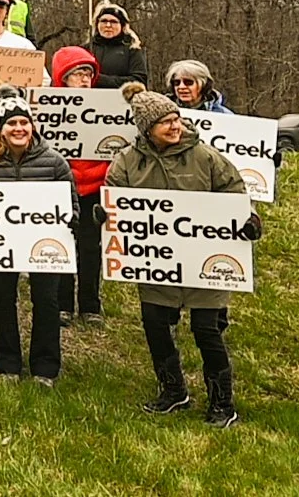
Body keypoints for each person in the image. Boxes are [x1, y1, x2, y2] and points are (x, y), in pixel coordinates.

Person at [106, 82, 259, 427]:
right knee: (156, 326)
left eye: (176, 119)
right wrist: (108, 215)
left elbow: (235, 191)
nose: (175, 126)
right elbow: (114, 197)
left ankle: (222, 403)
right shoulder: (127, 161)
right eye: (166, 122)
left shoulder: (204, 155)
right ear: (147, 129)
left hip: (205, 262)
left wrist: (248, 221)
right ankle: (173, 391)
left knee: (207, 331)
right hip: (157, 263)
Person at [0, 86, 71, 385]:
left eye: (24, 122)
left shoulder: (54, 161)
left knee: (47, 301)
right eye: (12, 123)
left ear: (32, 126)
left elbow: (71, 205)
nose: (19, 128)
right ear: (1, 129)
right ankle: (7, 364)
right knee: (2, 299)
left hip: (46, 246)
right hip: (1, 246)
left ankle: (45, 368)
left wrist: (64, 224)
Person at [47, 47, 108, 326]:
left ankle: (90, 305)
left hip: (94, 187)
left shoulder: (107, 108)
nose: (83, 80)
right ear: (63, 77)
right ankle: (62, 305)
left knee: (90, 248)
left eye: (88, 74)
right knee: (62, 246)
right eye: (76, 74)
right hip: (60, 186)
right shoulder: (48, 107)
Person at [81, 1, 147, 88]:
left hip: (121, 99)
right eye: (104, 21)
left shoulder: (132, 49)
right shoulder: (85, 50)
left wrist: (101, 80)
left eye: (113, 22)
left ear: (122, 26)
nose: (108, 25)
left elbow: (139, 80)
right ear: (97, 24)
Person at [165, 60, 230, 112]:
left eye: (188, 82)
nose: (181, 87)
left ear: (204, 85)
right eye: (177, 83)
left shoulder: (224, 115)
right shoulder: (161, 111)